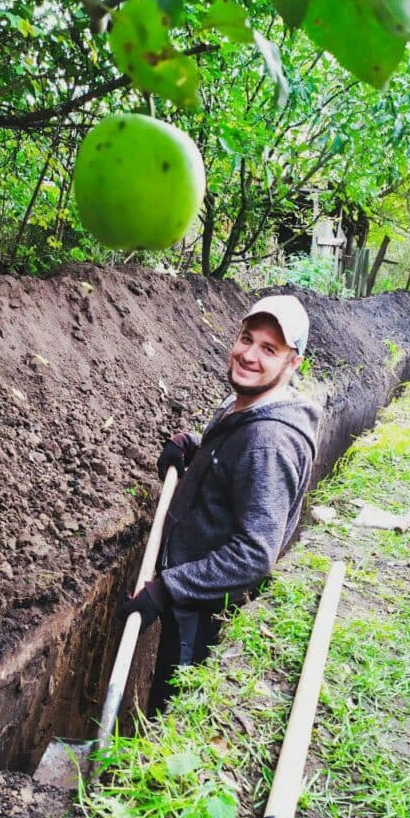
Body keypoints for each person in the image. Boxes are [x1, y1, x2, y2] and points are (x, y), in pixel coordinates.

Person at [121, 293, 321, 710]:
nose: (249, 355)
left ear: (293, 362)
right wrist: (195, 447)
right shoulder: (246, 404)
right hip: (191, 592)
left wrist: (167, 589)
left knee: (173, 709)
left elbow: (254, 553)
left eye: (269, 349)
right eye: (247, 339)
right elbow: (232, 466)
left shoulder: (269, 443)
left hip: (206, 613)